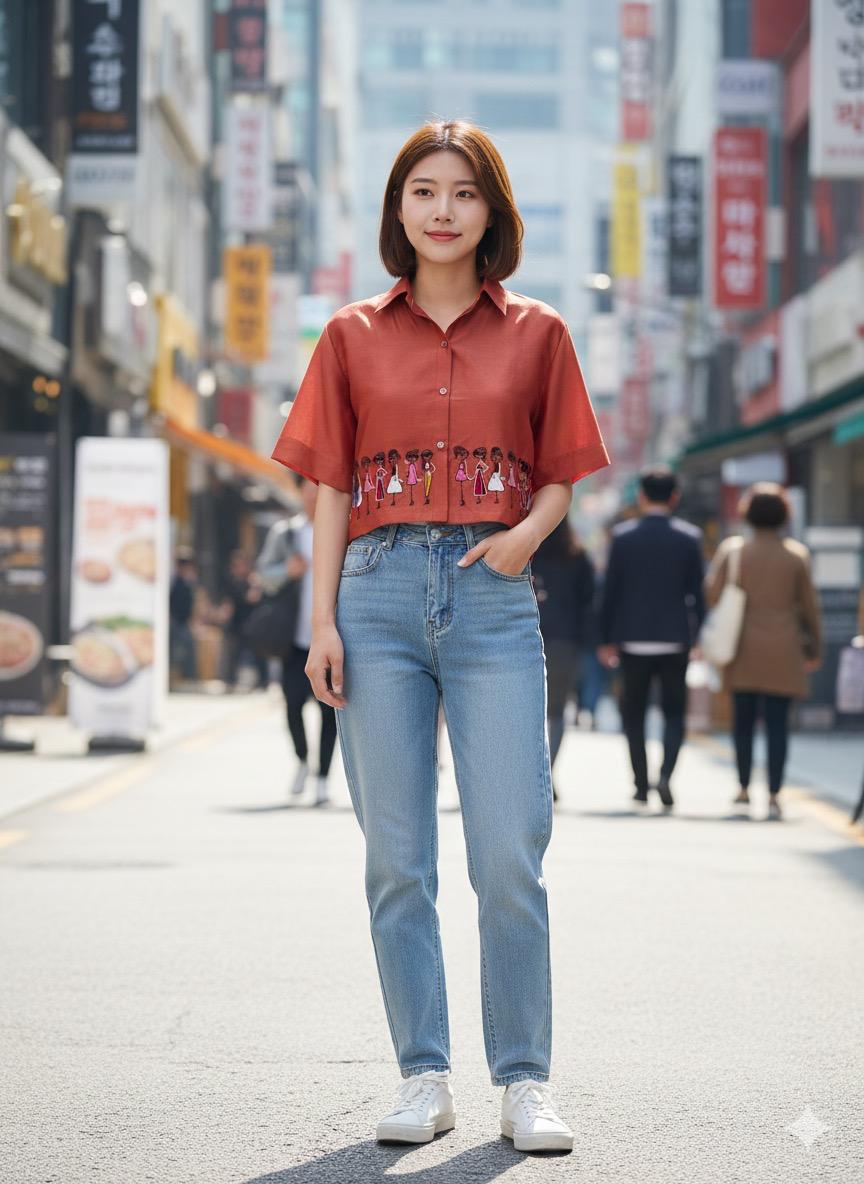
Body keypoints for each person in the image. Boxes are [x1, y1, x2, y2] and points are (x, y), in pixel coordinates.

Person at [270, 120, 609, 1153]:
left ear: (493, 212)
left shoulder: (540, 331)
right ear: (399, 208)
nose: (444, 209)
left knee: (510, 848)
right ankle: (424, 1072)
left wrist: (523, 540)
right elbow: (328, 485)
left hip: (493, 594)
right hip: (373, 595)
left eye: (465, 193)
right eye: (424, 190)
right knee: (398, 855)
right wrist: (321, 618)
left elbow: (560, 471)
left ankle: (524, 1078)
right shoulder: (350, 334)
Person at [704, 483, 822, 821]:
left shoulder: (734, 550)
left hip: (742, 647)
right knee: (777, 725)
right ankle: (774, 794)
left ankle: (743, 787)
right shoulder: (796, 555)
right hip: (784, 649)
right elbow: (809, 608)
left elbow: (712, 594)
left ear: (748, 514)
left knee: (742, 722)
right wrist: (814, 647)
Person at [598, 466, 705, 810]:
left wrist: (606, 638)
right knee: (674, 712)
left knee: (634, 713)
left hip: (632, 638)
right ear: (674, 497)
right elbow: (698, 595)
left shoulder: (623, 537)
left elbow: (610, 592)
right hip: (675, 638)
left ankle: (641, 784)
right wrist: (699, 636)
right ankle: (666, 776)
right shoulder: (689, 537)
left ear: (641, 497)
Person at [256, 478, 337, 806]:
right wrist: (287, 571)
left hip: (330, 638)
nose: (315, 492)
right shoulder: (286, 534)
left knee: (330, 710)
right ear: (300, 491)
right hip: (293, 639)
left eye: (320, 485)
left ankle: (322, 780)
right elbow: (263, 575)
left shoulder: (340, 531)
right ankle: (303, 760)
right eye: (309, 486)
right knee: (291, 705)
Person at [531, 518, 595, 801]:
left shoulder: (527, 550)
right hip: (565, 641)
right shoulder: (577, 556)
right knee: (556, 712)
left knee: (522, 710)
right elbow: (590, 601)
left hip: (526, 635)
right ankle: (546, 773)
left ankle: (525, 774)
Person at [219, 550, 269, 691]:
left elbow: (254, 597)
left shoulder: (252, 581)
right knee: (233, 653)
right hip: (236, 624)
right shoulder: (231, 582)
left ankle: (263, 682)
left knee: (258, 654)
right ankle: (229, 680)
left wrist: (255, 584)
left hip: (253, 623)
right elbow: (227, 603)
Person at [169, 548, 199, 684]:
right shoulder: (174, 582)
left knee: (187, 649)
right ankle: (186, 677)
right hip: (175, 621)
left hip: (183, 621)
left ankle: (189, 677)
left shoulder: (186, 581)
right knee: (179, 649)